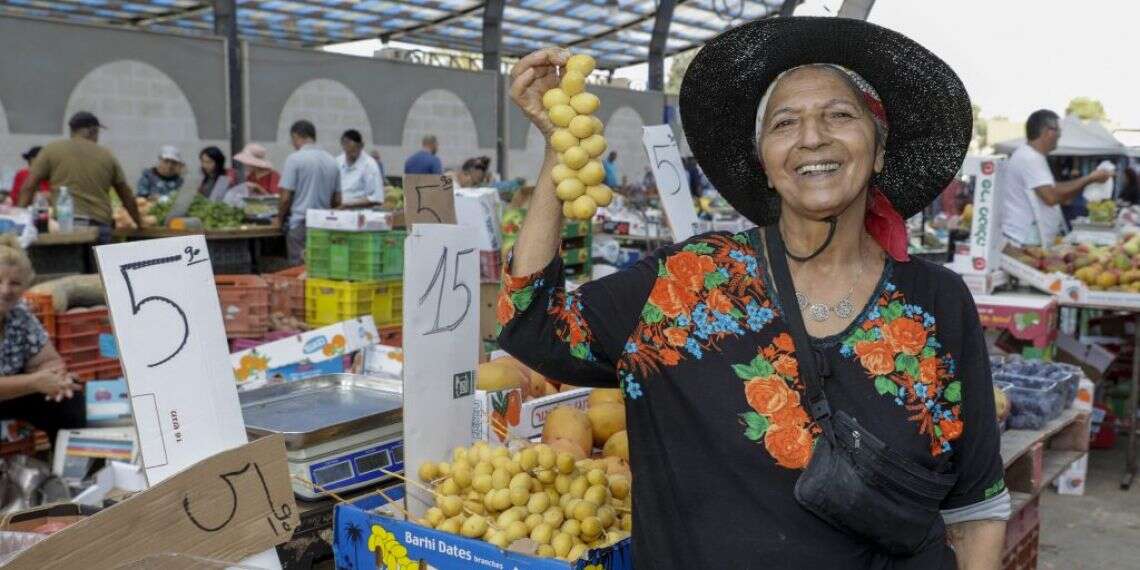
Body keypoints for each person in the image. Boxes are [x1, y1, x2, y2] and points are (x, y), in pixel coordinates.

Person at [501, 18, 1008, 568]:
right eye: (785, 123)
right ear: (766, 165)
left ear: (880, 151)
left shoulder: (936, 301)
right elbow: (533, 325)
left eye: (839, 115)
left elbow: (976, 505)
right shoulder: (688, 282)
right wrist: (559, 149)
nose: (813, 136)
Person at [0, 235, 83, 444]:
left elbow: (48, 360)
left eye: (15, 283)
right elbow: (33, 381)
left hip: (12, 395)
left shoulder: (19, 314)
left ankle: (69, 469)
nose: (5, 290)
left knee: (69, 393)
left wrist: (57, 378)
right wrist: (34, 382)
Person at [18, 112, 142, 243]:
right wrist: (139, 223)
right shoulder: (107, 155)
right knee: (97, 263)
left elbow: (28, 186)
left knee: (68, 264)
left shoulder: (51, 150)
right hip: (98, 227)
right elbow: (126, 195)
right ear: (92, 131)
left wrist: (19, 219)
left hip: (63, 227)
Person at [999, 110, 1113, 246]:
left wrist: (1085, 182)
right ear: (1049, 132)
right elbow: (1051, 197)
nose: (1060, 135)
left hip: (1031, 239)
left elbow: (1055, 190)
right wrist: (1090, 179)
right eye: (1058, 130)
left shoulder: (1033, 156)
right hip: (1024, 241)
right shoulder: (1030, 158)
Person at [278, 120, 340, 265]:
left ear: (296, 136)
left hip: (300, 224)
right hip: (323, 225)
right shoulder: (332, 161)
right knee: (320, 267)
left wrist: (279, 219)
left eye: (292, 139)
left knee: (299, 269)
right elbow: (338, 200)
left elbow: (285, 197)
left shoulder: (294, 159)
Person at [337, 129, 383, 208]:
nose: (353, 154)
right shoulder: (337, 162)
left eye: (356, 149)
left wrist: (348, 204)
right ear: (343, 145)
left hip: (359, 211)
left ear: (361, 146)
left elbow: (377, 198)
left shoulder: (370, 165)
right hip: (338, 208)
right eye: (349, 150)